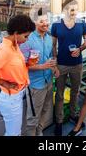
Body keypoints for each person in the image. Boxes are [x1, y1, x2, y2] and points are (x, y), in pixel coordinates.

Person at [51, 0, 86, 136]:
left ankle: (74, 115)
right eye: (71, 9)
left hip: (77, 65)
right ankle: (59, 122)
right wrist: (55, 62)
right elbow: (53, 45)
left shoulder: (82, 24)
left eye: (76, 9)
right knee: (60, 94)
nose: (74, 12)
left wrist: (80, 49)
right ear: (64, 10)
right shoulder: (56, 25)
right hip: (61, 65)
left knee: (75, 92)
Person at [20, 8, 60, 136]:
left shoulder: (49, 38)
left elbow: (49, 58)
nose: (46, 23)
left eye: (47, 20)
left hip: (49, 82)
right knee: (32, 118)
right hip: (35, 85)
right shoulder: (28, 40)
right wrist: (43, 66)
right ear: (35, 22)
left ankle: (39, 131)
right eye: (42, 21)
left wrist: (54, 68)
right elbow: (24, 65)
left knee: (45, 110)